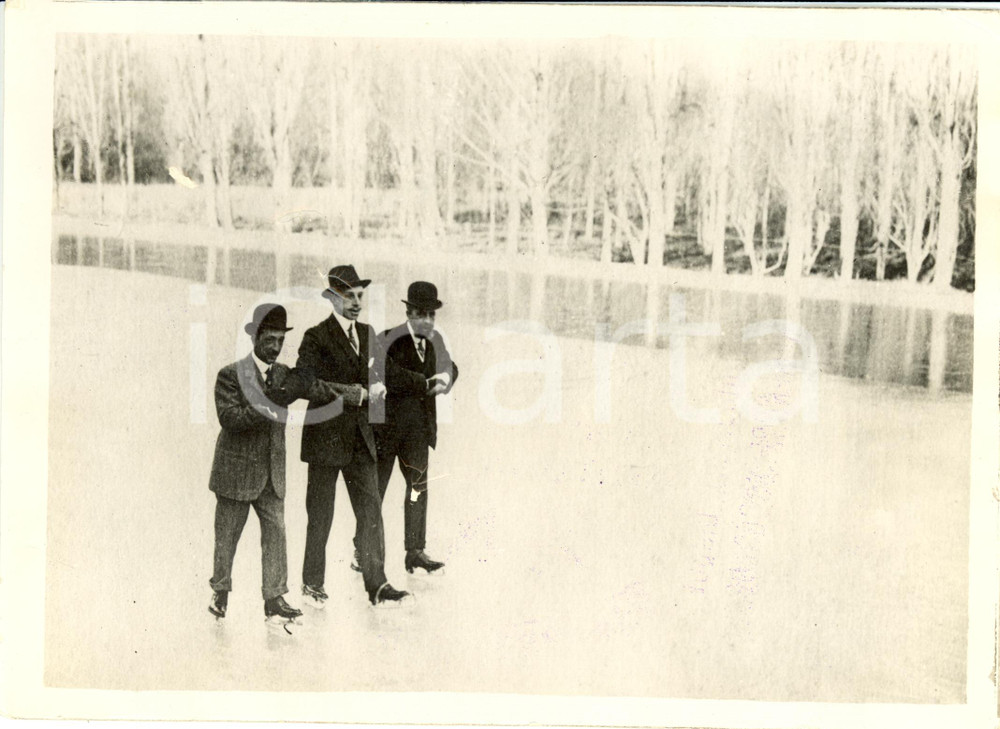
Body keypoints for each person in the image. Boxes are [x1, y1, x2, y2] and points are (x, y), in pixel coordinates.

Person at [296, 265, 427, 608]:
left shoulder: (368, 334)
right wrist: (353, 394)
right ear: (332, 298)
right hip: (324, 440)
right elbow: (305, 383)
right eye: (349, 297)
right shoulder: (315, 337)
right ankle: (312, 584)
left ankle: (377, 584)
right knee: (321, 517)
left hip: (360, 440)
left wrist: (419, 382)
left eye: (359, 296)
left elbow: (388, 372)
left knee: (371, 512)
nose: (356, 303)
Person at [208, 303, 310, 627]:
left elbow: (315, 385)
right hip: (235, 473)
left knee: (276, 534)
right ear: (255, 338)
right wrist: (268, 404)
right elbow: (230, 418)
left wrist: (353, 393)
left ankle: (274, 599)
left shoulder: (283, 375)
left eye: (281, 340)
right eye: (270, 339)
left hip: (272, 473)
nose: (276, 347)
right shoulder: (230, 374)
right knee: (227, 537)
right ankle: (220, 592)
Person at [366, 281, 458, 575]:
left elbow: (450, 366)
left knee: (417, 489)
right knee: (375, 493)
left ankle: (415, 551)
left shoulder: (434, 341)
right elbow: (388, 374)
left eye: (432, 315)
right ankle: (362, 550)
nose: (428, 321)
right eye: (422, 314)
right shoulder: (387, 339)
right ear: (409, 313)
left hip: (417, 433)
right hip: (385, 432)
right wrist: (424, 382)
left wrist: (445, 378)